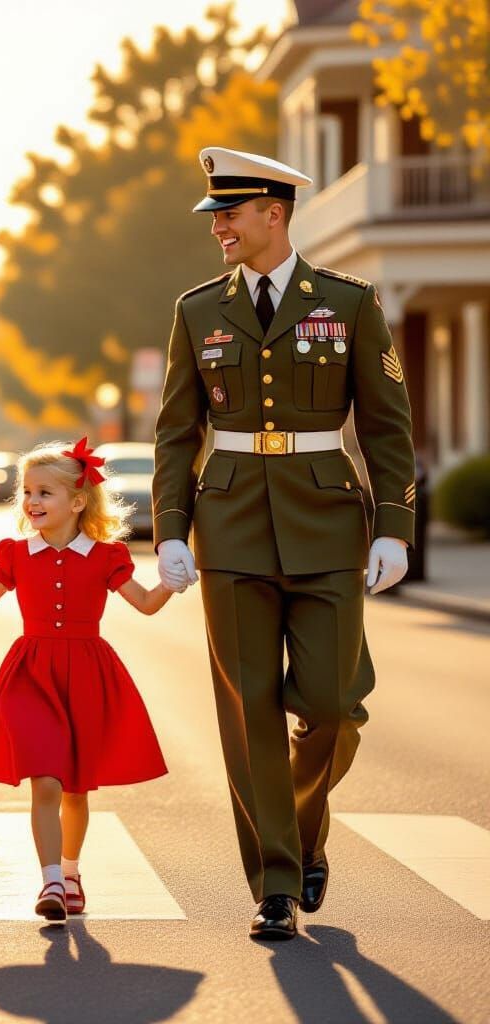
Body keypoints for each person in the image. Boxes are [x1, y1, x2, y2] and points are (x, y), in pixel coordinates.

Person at [152, 147, 415, 940]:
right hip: (229, 526)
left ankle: (303, 830)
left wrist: (397, 530)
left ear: (276, 211)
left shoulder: (351, 303)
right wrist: (169, 531)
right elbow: (175, 434)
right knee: (250, 714)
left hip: (328, 520)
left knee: (334, 706)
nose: (219, 227)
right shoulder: (196, 310)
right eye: (214, 216)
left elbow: (388, 431)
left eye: (231, 213)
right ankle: (275, 881)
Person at [0, 438, 173, 923]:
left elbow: (147, 602)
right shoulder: (14, 553)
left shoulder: (105, 556)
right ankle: (51, 879)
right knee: (45, 780)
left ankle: (70, 872)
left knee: (75, 789)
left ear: (76, 501)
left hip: (88, 674)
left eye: (45, 492)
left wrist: (172, 582)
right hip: (30, 674)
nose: (32, 501)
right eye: (27, 491)